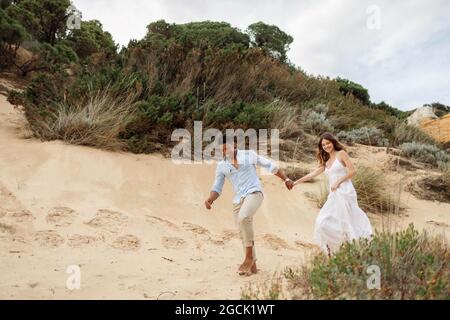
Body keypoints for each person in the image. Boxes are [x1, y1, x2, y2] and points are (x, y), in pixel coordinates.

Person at [204, 135, 294, 276]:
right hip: (238, 199)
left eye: (226, 148)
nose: (225, 152)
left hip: (254, 193)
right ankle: (253, 267)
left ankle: (249, 257)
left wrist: (286, 179)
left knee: (244, 217)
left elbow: (270, 166)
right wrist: (210, 199)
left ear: (234, 145)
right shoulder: (222, 166)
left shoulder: (249, 155)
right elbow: (217, 187)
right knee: (242, 232)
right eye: (222, 150)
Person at [293, 132, 372, 254]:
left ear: (333, 142)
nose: (326, 146)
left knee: (347, 221)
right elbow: (312, 174)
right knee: (322, 221)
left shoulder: (341, 154)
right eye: (323, 145)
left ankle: (355, 249)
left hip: (345, 191)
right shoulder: (326, 161)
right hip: (333, 194)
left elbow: (352, 171)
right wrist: (296, 182)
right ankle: (335, 249)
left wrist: (338, 182)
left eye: (328, 143)